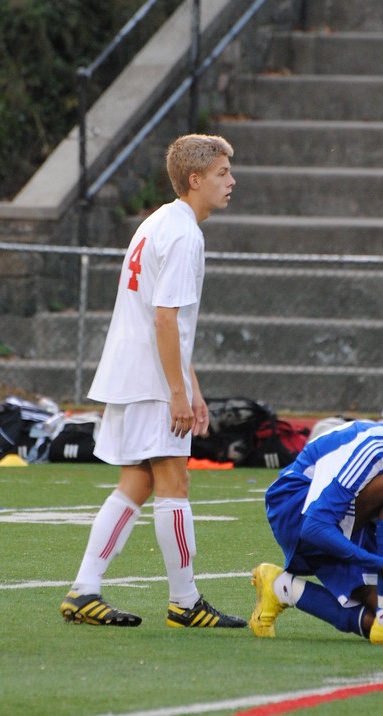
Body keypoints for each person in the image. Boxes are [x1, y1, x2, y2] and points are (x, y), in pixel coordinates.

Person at [60, 134, 246, 629]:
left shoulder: (158, 221)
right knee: (174, 481)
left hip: (135, 374)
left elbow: (166, 321)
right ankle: (184, 602)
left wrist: (193, 385)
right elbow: (165, 320)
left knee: (137, 482)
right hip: (150, 380)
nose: (231, 180)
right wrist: (178, 393)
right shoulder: (185, 234)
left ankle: (84, 590)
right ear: (195, 180)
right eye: (223, 173)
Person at [249, 395, 383, 646]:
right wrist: (382, 564)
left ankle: (280, 587)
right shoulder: (377, 448)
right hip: (295, 510)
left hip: (341, 517)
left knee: (382, 624)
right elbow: (314, 527)